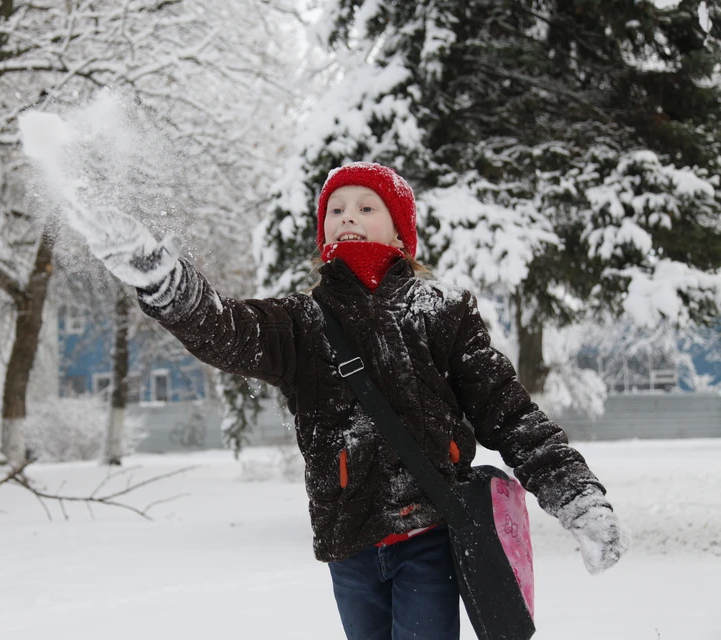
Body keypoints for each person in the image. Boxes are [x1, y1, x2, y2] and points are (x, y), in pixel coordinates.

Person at [71, 161, 629, 640]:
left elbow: (510, 414)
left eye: (367, 207)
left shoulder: (444, 312)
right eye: (337, 209)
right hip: (348, 541)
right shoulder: (301, 321)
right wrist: (166, 282)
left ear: (399, 231)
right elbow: (227, 328)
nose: (349, 217)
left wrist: (576, 497)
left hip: (429, 532)